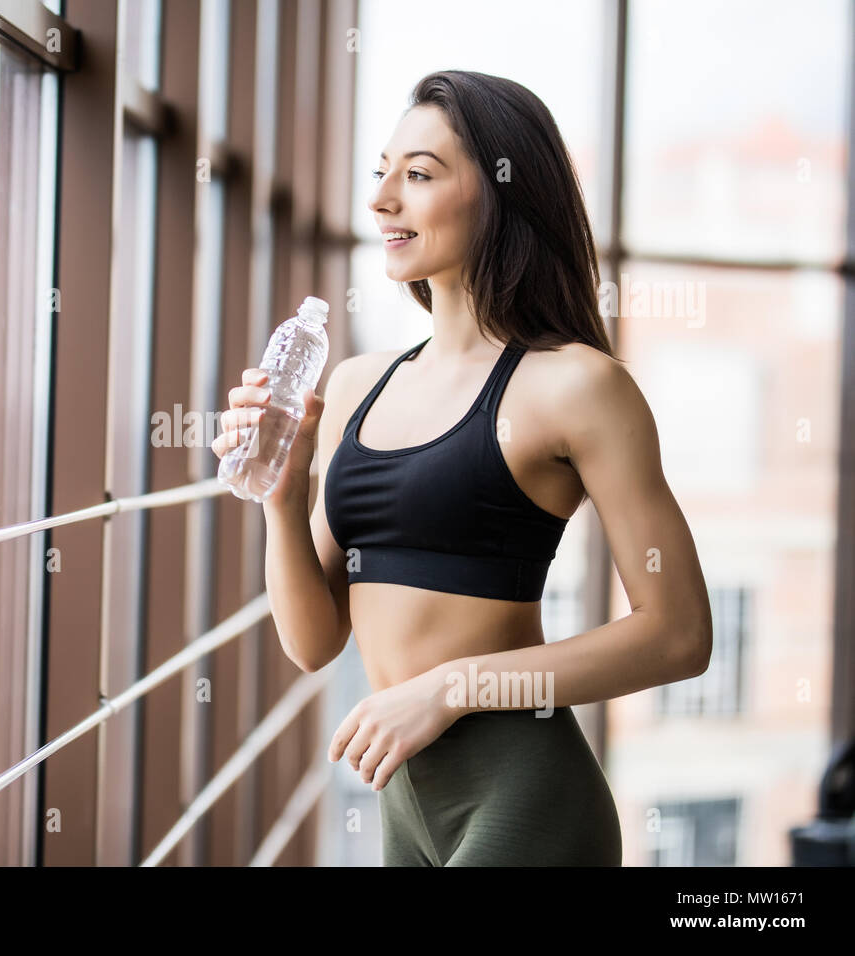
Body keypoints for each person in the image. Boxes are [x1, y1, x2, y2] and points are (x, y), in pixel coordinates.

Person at [211, 70, 713, 866]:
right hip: (405, 807)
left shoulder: (577, 386)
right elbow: (313, 642)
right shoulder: (353, 385)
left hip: (526, 800)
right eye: (382, 173)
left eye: (418, 175)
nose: (382, 201)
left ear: (503, 193)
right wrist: (281, 491)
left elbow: (680, 634)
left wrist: (452, 687)